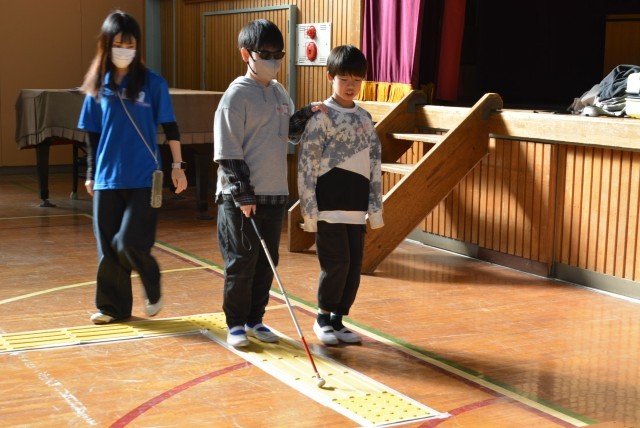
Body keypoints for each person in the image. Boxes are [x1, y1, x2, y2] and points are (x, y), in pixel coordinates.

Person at [214, 19, 325, 347]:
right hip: (241, 198)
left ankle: (255, 319)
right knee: (242, 261)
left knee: (266, 262)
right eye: (266, 55)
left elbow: (289, 132)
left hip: (275, 193)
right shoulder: (235, 96)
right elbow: (227, 150)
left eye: (278, 55)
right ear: (246, 54)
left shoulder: (279, 92)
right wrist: (243, 192)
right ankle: (235, 324)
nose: (273, 61)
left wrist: (307, 113)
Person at [78, 10, 187, 325]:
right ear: (106, 45)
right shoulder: (98, 85)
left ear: (138, 46)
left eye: (130, 44)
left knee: (128, 242)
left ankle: (151, 277)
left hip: (145, 178)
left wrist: (177, 166)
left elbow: (170, 127)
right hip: (106, 178)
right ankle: (112, 307)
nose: (124, 50)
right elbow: (92, 135)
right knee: (107, 248)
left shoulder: (153, 83)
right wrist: (91, 174)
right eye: (118, 44)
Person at [297, 45, 384, 345]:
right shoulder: (321, 116)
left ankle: (338, 320)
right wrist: (309, 210)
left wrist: (375, 208)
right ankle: (322, 319)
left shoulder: (365, 118)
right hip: (328, 206)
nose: (351, 85)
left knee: (353, 267)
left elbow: (374, 164)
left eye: (357, 80)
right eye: (344, 78)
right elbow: (307, 165)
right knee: (336, 264)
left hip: (355, 207)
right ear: (330, 77)